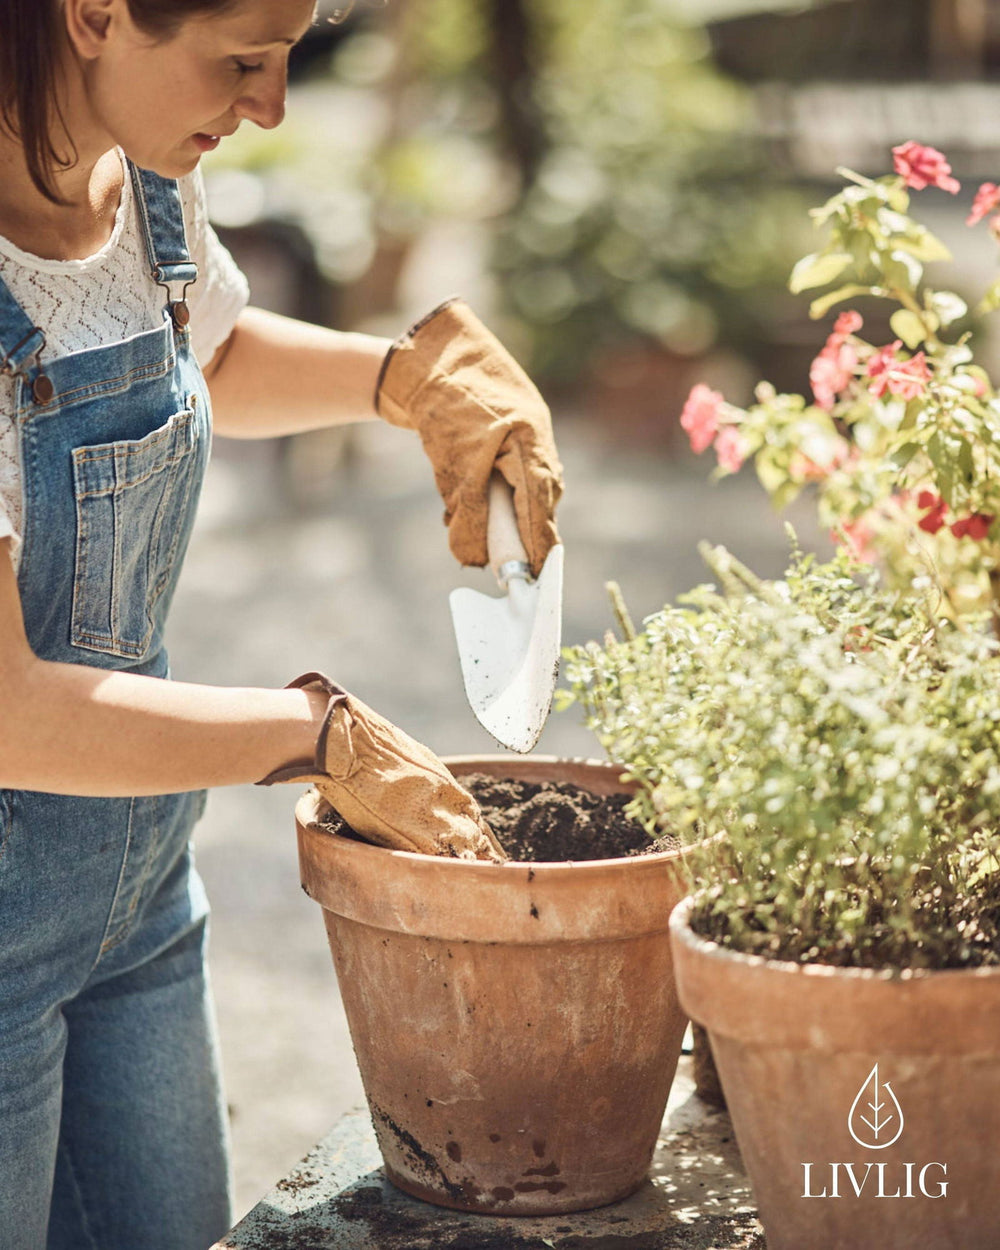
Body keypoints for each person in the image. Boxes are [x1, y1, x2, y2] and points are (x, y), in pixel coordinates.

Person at [0, 2, 563, 1247]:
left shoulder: (139, 184)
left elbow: (199, 354)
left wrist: (404, 382)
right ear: (95, 13)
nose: (272, 106)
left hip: (143, 897)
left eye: (291, 56)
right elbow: (8, 713)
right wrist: (318, 736)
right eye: (242, 60)